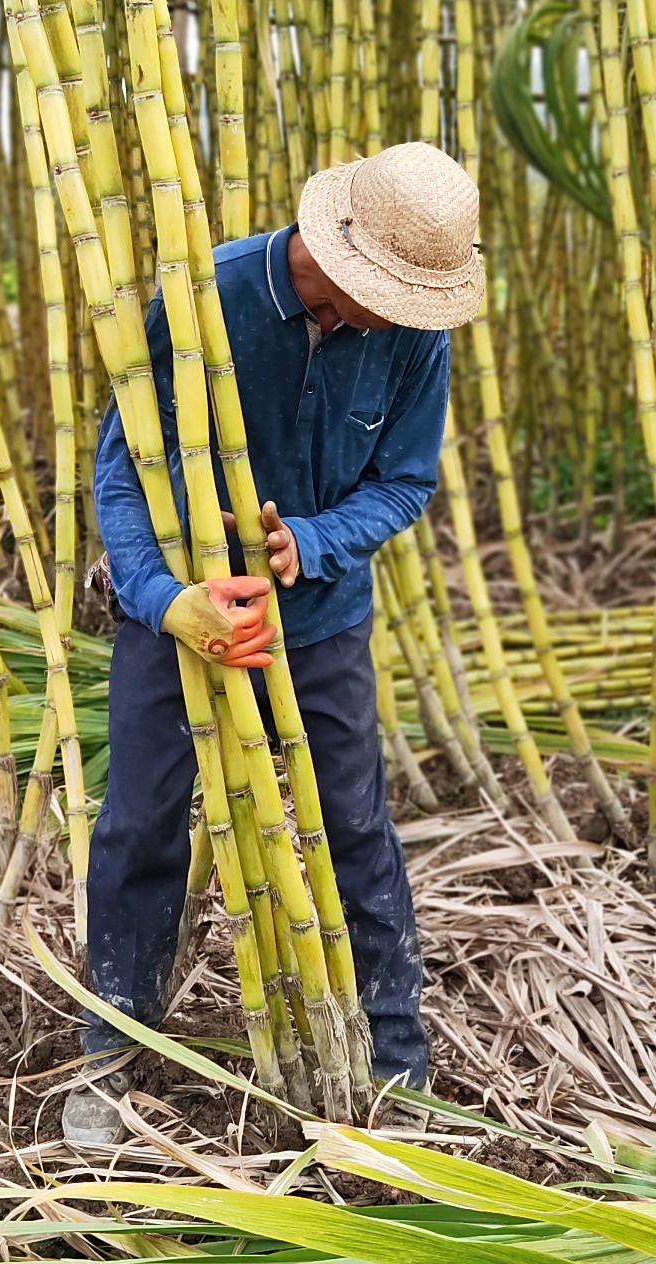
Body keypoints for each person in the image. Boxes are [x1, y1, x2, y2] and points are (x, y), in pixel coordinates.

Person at [64, 142, 483, 1145]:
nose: (406, 316)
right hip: (178, 620)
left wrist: (314, 542)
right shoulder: (205, 298)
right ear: (337, 259)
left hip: (321, 621)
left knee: (354, 831)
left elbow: (405, 481)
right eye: (394, 293)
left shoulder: (414, 335)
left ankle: (394, 1065)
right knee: (140, 831)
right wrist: (168, 600)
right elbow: (121, 467)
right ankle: (110, 1058)